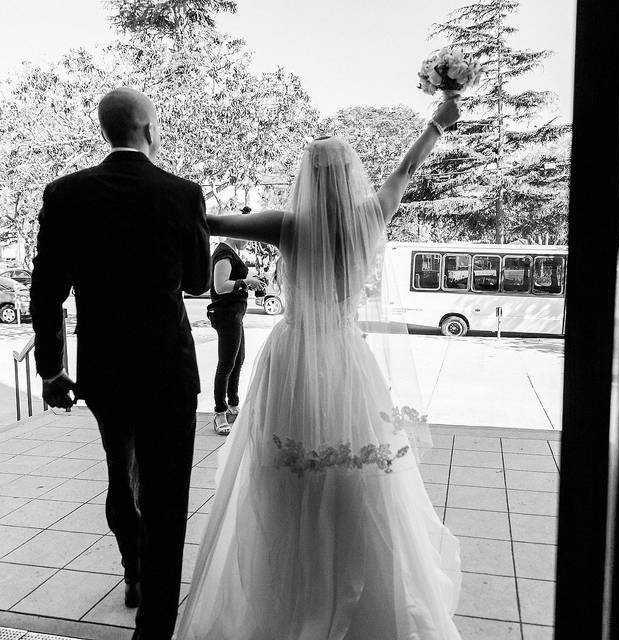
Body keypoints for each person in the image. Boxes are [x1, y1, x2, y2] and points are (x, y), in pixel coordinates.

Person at [175, 97, 463, 639]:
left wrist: (164, 183)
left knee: (285, 469)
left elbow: (208, 218)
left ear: (305, 177)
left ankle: (290, 580)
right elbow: (405, 171)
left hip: (294, 354)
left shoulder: (286, 225)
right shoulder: (371, 216)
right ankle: (360, 583)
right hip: (346, 356)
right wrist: (435, 125)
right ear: (351, 176)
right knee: (357, 474)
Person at [30, 87, 210, 640]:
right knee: (166, 493)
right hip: (167, 370)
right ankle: (154, 627)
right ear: (150, 129)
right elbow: (200, 282)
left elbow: (46, 289)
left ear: (106, 131)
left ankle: (131, 567)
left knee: (119, 468)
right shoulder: (182, 194)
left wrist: (52, 368)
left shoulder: (66, 194)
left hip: (105, 372)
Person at [207, 236, 263, 435]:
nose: (247, 243)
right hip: (226, 315)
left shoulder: (229, 253)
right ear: (235, 234)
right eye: (246, 239)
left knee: (238, 359)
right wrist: (246, 281)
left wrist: (247, 283)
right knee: (226, 364)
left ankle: (233, 403)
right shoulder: (224, 253)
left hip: (234, 315)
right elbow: (220, 286)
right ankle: (220, 412)